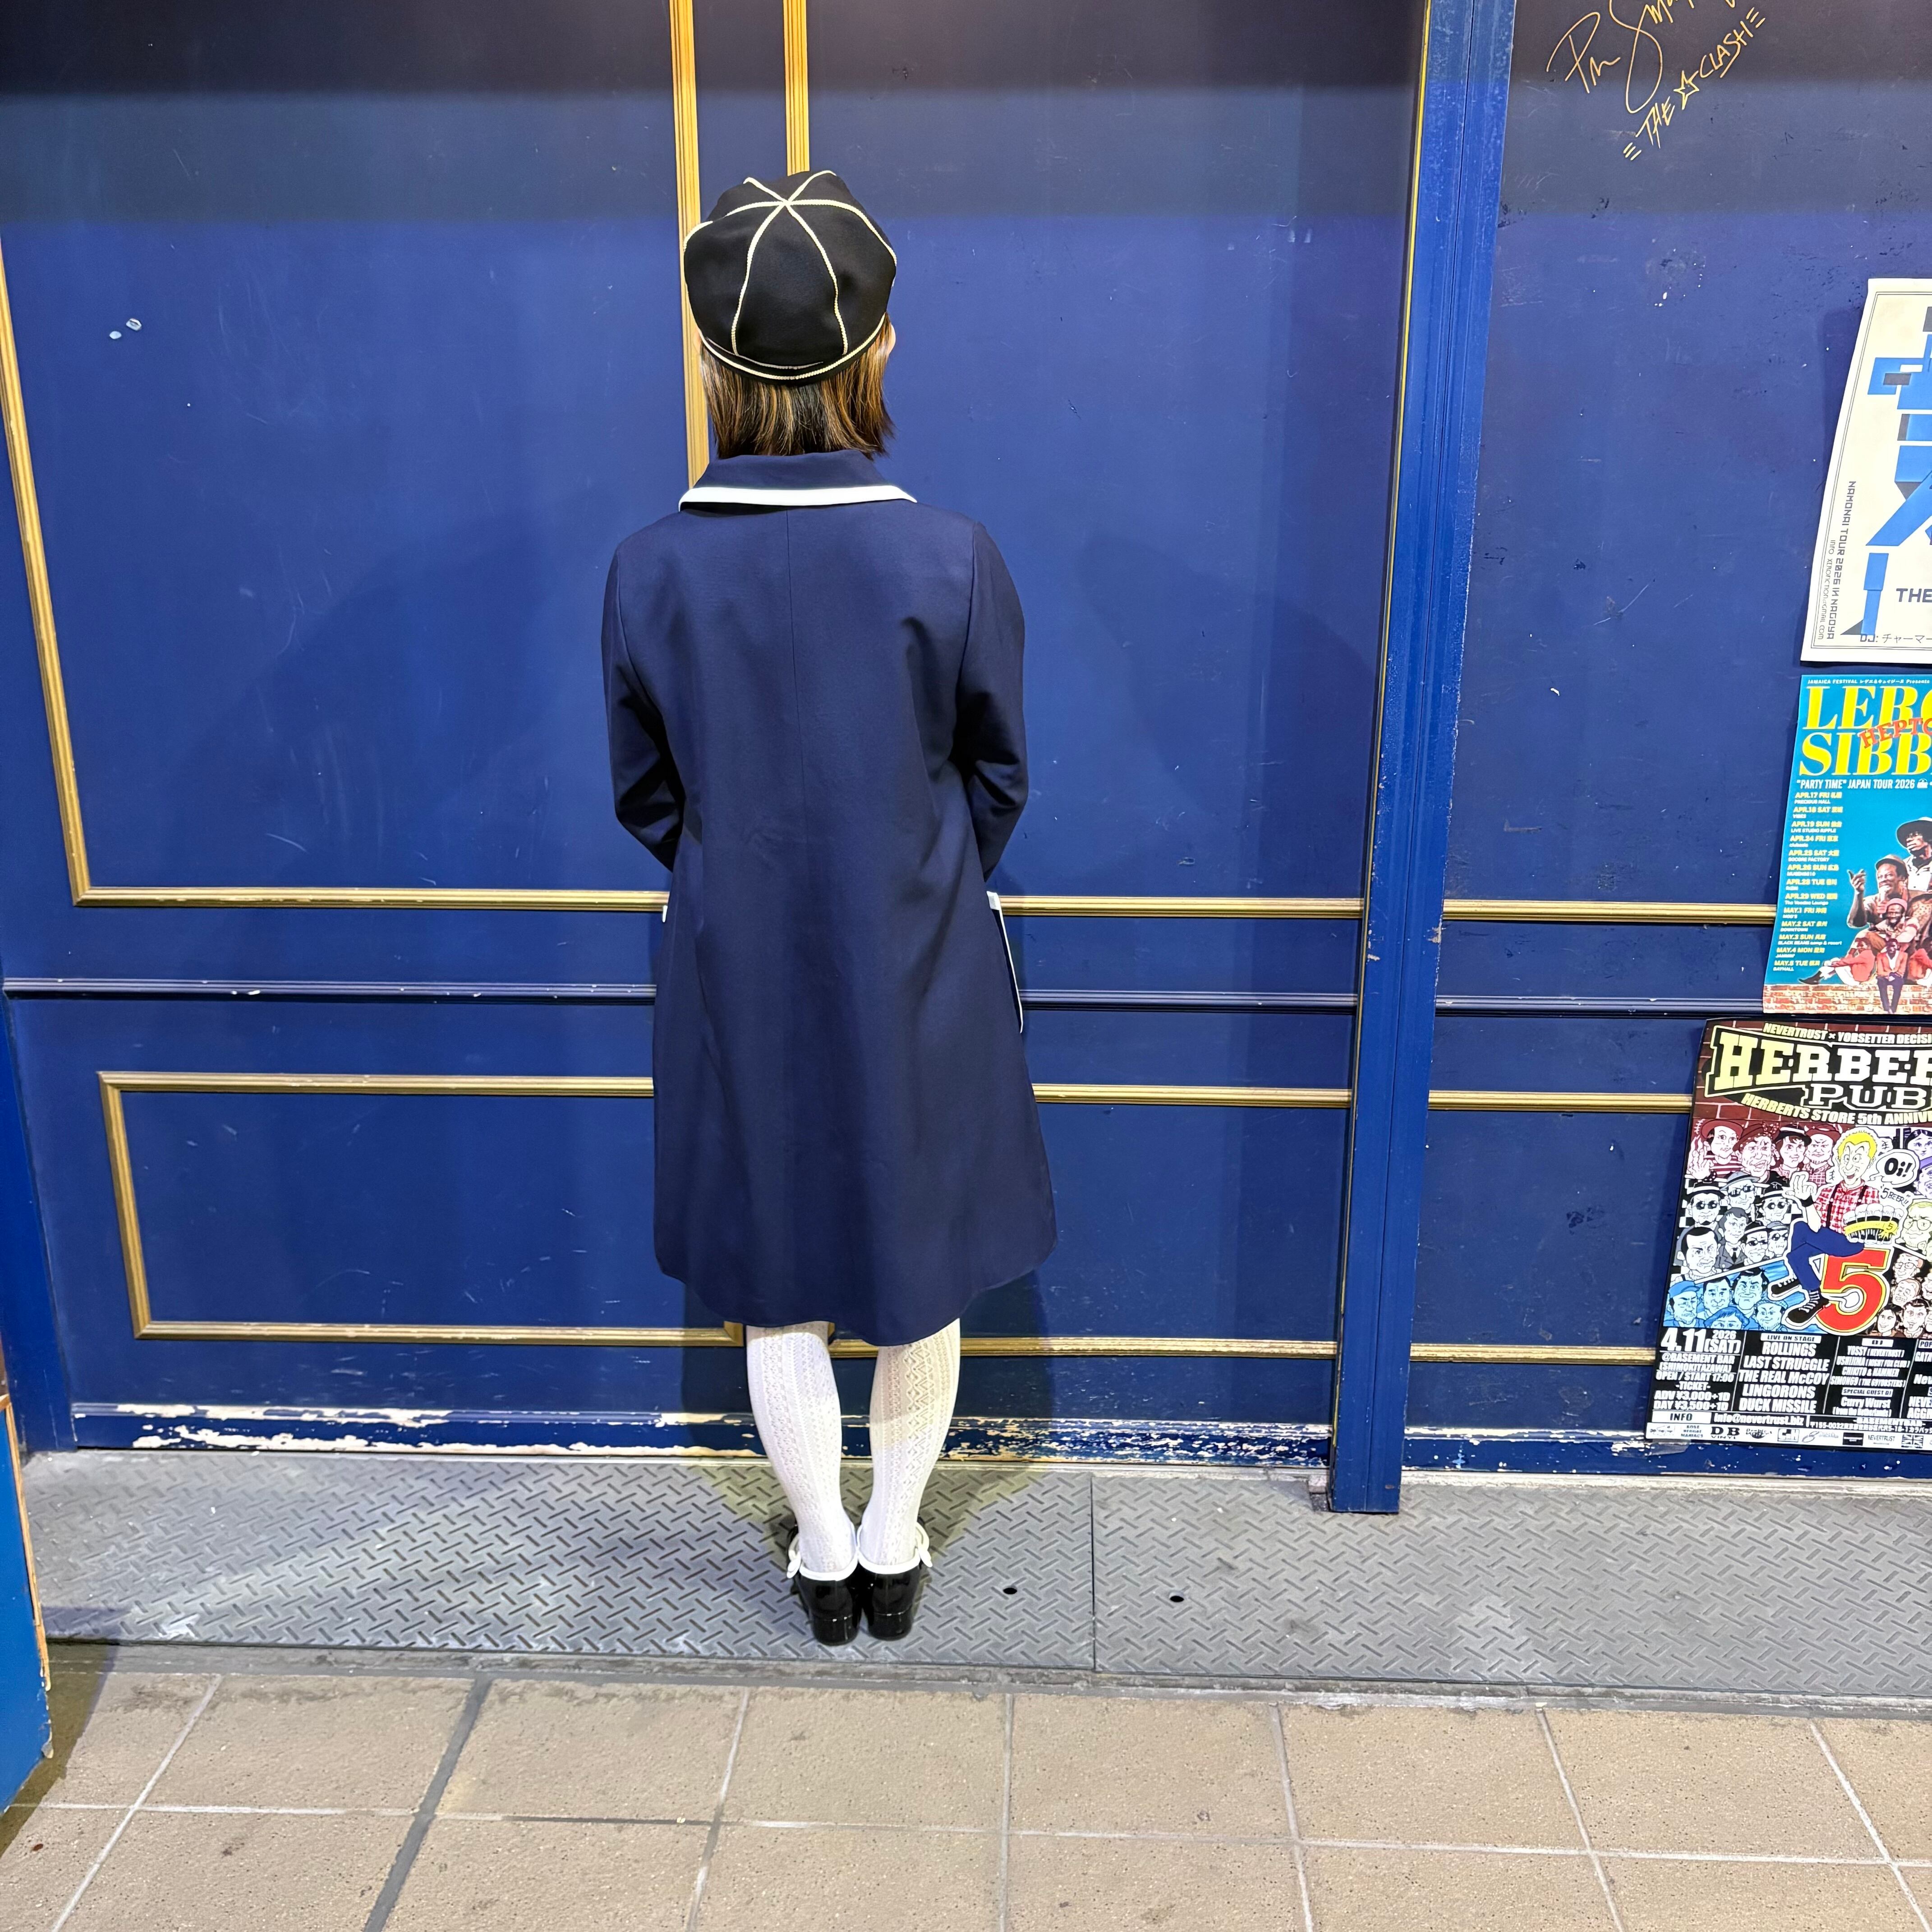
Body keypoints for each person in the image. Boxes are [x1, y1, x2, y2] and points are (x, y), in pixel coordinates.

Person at [601, 169, 1056, 1645]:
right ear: (877, 347)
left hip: (735, 957)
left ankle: (818, 1550)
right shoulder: (949, 555)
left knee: (774, 1272)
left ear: (711, 362)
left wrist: (742, 874)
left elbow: (646, 795)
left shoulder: (649, 569)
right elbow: (998, 771)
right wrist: (915, 876)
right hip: (917, 949)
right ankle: (893, 1538)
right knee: (920, 1261)